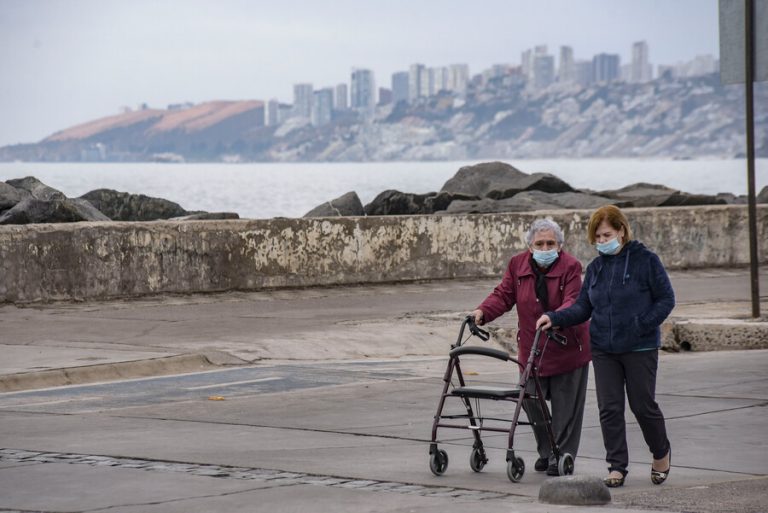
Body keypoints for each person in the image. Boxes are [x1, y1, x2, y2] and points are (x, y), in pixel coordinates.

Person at [536, 205, 674, 488]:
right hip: (603, 349)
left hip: (639, 347)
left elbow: (666, 300)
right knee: (609, 409)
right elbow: (583, 307)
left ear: (621, 231)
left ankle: (661, 452)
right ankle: (616, 466)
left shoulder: (646, 260)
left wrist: (640, 325)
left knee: (642, 406)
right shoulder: (596, 268)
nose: (601, 241)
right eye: (597, 237)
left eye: (606, 235)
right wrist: (555, 317)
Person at [472, 218, 591, 476]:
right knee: (528, 398)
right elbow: (504, 294)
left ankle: (561, 455)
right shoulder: (517, 264)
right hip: (532, 349)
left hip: (567, 348)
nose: (545, 248)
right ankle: (548, 451)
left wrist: (556, 317)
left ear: (559, 246)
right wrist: (483, 312)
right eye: (540, 244)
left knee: (566, 409)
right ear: (530, 246)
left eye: (550, 243)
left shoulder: (571, 266)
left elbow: (573, 300)